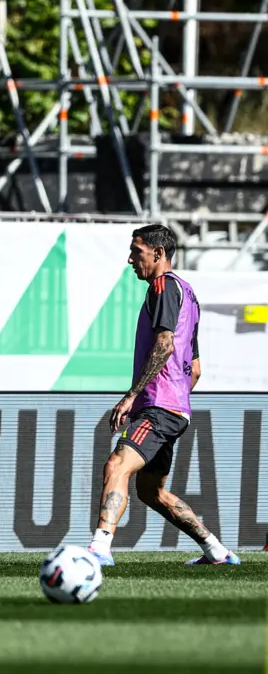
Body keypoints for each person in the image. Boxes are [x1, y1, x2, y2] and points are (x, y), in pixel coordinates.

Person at [87, 225, 240, 567]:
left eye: (136, 251)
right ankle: (217, 550)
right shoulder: (189, 295)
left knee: (116, 465)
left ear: (157, 254)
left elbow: (165, 344)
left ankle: (99, 547)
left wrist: (133, 395)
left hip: (158, 407)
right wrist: (175, 401)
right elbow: (194, 369)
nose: (130, 259)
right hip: (176, 408)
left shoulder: (162, 286)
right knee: (151, 492)